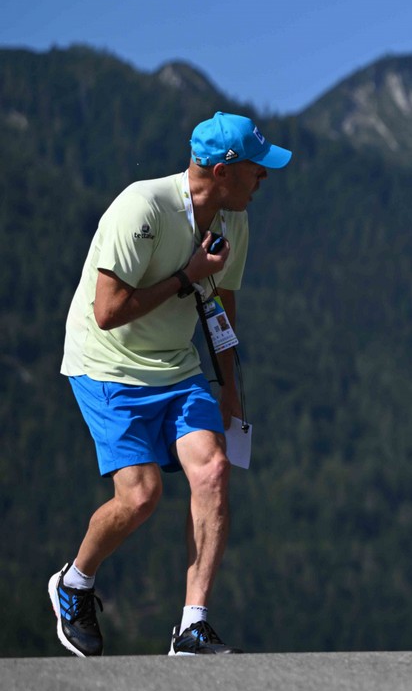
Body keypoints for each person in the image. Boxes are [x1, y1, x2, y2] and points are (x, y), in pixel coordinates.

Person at [50, 111, 291, 657]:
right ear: (223, 171)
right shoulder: (143, 207)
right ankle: (75, 581)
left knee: (213, 469)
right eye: (257, 167)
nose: (265, 177)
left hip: (176, 366)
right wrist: (187, 276)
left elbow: (222, 304)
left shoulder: (233, 220)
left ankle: (193, 626)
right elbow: (108, 312)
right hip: (106, 365)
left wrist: (230, 388)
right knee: (140, 497)